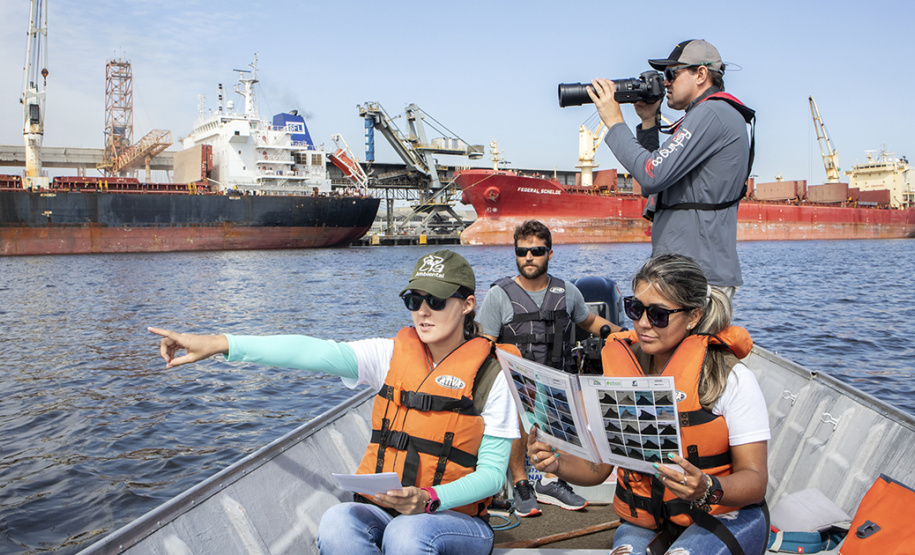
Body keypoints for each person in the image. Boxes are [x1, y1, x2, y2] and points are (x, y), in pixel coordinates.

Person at [149, 250, 519, 555]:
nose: (422, 311)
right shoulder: (389, 355)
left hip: (453, 521)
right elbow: (309, 351)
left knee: (408, 536)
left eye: (436, 301)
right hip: (388, 512)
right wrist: (218, 343)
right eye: (413, 299)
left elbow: (489, 477)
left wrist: (427, 498)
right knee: (338, 522)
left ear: (468, 304)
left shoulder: (491, 375)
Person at [527, 253, 770, 554]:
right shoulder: (622, 374)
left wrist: (707, 487)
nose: (642, 324)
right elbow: (597, 470)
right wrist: (556, 464)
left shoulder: (730, 379)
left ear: (693, 316)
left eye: (658, 314)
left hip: (725, 516)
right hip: (647, 521)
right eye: (635, 308)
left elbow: (756, 479)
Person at [588, 39, 756, 300]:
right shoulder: (708, 114)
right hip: (685, 273)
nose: (665, 82)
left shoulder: (711, 113)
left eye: (671, 74)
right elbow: (652, 182)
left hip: (697, 279)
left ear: (700, 74)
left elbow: (651, 175)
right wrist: (647, 122)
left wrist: (614, 121)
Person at [478, 220, 620, 517]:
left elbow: (590, 323)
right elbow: (483, 344)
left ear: (550, 254)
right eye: (522, 251)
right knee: (515, 408)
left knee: (572, 403)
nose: (529, 257)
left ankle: (552, 480)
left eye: (537, 251)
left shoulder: (567, 292)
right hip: (515, 383)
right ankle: (520, 485)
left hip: (557, 378)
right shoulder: (498, 296)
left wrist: (626, 338)